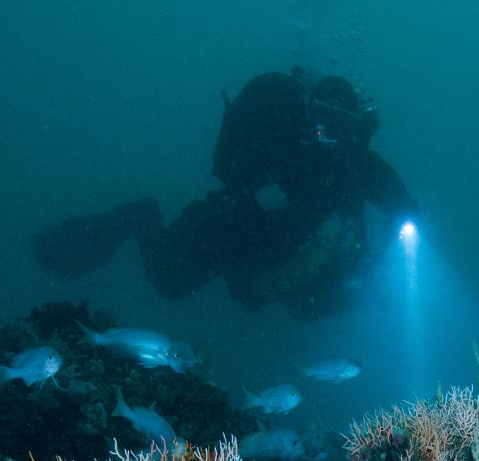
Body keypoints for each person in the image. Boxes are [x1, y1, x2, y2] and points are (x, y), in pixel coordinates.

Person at [31, 69, 418, 320]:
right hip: (237, 224)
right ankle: (139, 216)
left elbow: (403, 207)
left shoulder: (357, 164)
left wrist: (393, 238)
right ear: (308, 112)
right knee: (170, 282)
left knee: (312, 305)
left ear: (354, 127)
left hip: (284, 247)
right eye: (322, 120)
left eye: (340, 124)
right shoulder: (280, 132)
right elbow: (231, 167)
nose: (327, 133)